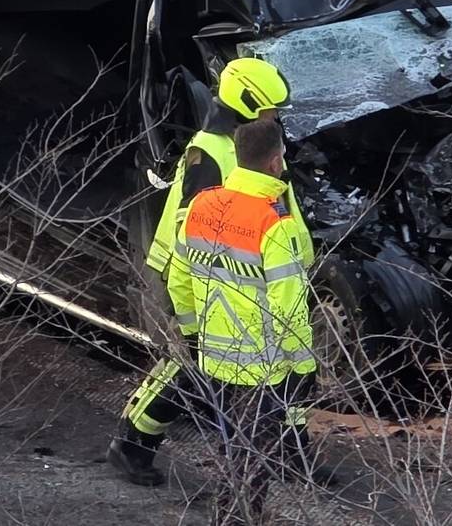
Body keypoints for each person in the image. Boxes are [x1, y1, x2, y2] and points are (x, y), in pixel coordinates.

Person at [107, 58, 314, 486]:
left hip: (242, 268)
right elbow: (196, 228)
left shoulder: (251, 139)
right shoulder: (210, 151)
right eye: (272, 110)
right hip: (204, 271)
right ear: (250, 105)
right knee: (190, 364)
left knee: (278, 367)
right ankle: (131, 444)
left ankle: (291, 453)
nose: (278, 117)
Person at [168, 120, 317, 525]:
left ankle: (232, 514)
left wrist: (192, 335)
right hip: (263, 366)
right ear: (275, 161)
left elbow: (179, 280)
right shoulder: (275, 223)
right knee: (253, 458)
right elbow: (289, 308)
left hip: (214, 358)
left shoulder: (200, 205)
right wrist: (303, 368)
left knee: (231, 444)